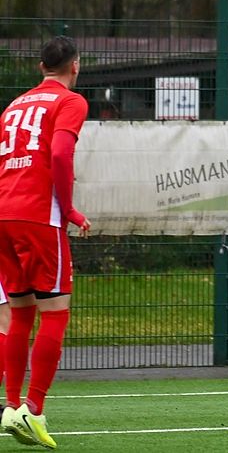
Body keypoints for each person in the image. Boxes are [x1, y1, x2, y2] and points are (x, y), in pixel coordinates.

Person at [0, 36, 90, 449]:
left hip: (4, 213)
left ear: (41, 67)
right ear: (75, 66)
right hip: (39, 216)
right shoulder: (70, 101)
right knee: (55, 312)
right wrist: (68, 209)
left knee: (20, 312)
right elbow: (59, 154)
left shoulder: (14, 106)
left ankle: (11, 406)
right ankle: (34, 410)